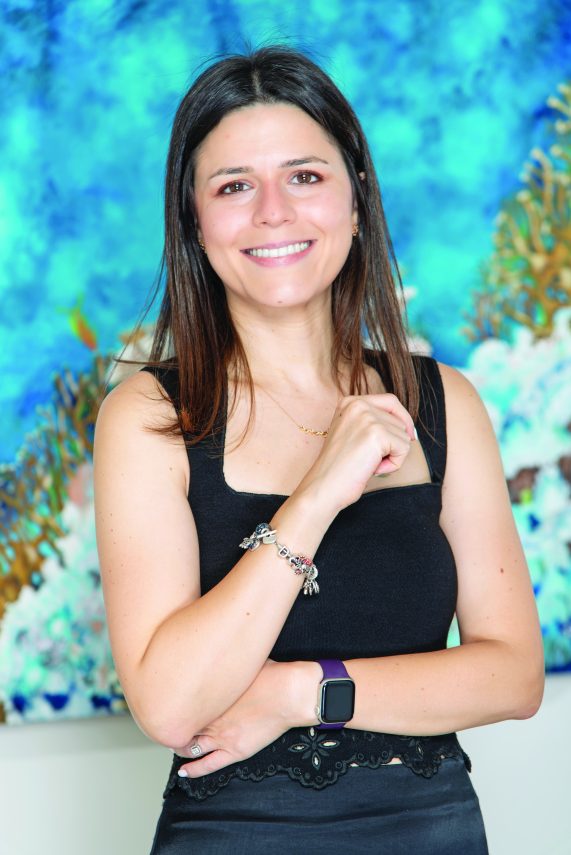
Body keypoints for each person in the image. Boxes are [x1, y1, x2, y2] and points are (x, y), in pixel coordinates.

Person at [93, 45, 544, 854]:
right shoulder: (149, 417)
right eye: (234, 186)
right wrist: (319, 490)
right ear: (194, 221)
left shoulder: (443, 402)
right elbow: (170, 704)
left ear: (356, 199)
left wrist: (299, 691)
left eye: (304, 176)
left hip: (433, 833)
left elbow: (512, 675)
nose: (273, 211)